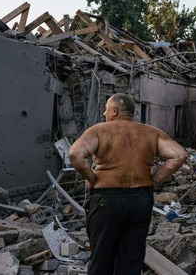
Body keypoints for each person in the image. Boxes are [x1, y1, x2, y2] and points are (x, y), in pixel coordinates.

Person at [69, 93, 189, 275]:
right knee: (132, 259)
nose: (104, 114)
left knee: (101, 258)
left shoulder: (100, 130)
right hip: (140, 199)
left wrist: (92, 178)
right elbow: (179, 155)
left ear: (114, 111)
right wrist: (154, 180)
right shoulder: (151, 132)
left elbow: (75, 154)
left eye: (106, 110)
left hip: (106, 199)